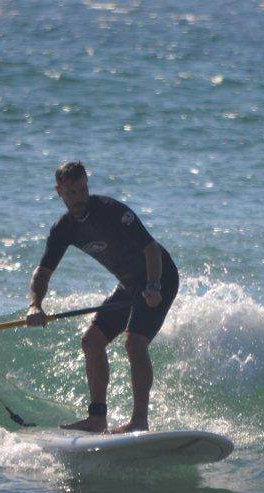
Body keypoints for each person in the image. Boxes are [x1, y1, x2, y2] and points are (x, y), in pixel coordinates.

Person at [26, 161, 179, 433]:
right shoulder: (64, 229)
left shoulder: (112, 211)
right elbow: (43, 273)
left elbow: (151, 250)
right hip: (130, 286)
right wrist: (35, 305)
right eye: (71, 192)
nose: (79, 197)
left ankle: (139, 421)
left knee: (134, 343)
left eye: (82, 189)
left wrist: (154, 286)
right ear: (59, 191)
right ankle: (97, 418)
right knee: (92, 341)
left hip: (160, 277)